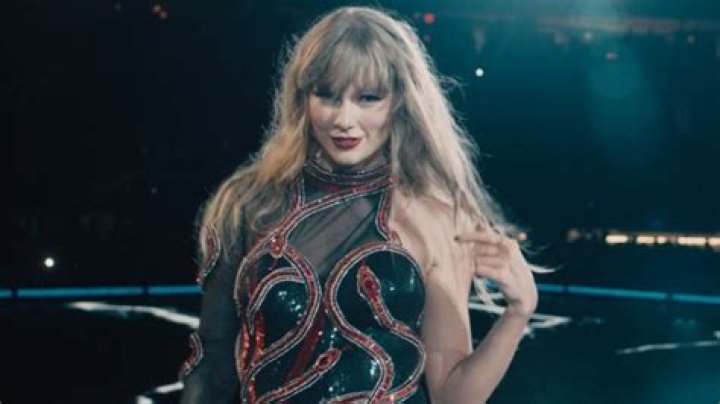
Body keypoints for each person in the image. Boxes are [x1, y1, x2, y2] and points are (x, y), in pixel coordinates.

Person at [179, 6, 539, 403]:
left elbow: (453, 397)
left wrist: (518, 313)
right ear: (302, 98)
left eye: (368, 98)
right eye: (327, 95)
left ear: (399, 101)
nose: (344, 119)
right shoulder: (247, 206)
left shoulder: (436, 218)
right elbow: (211, 369)